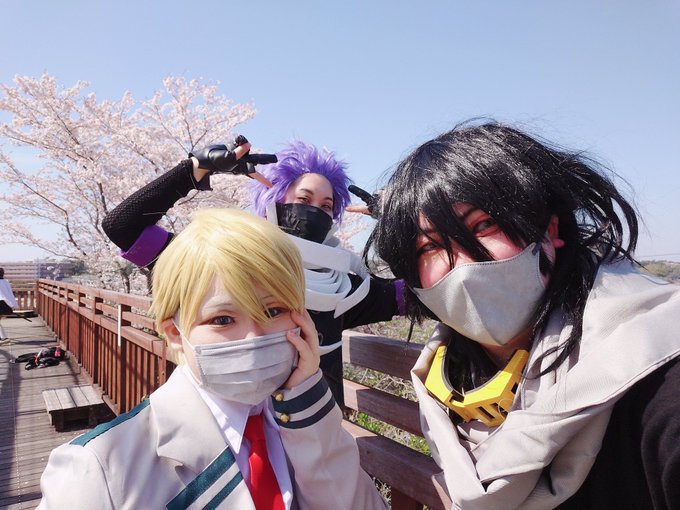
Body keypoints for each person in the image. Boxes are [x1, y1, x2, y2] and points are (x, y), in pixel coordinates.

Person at [366, 121, 680, 509]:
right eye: (429, 248)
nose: (462, 267)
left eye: (483, 225)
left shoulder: (658, 378)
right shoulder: (448, 382)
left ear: (549, 229)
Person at [38, 208, 387, 510]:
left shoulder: (304, 420)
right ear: (175, 333)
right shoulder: (98, 468)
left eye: (274, 310)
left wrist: (307, 398)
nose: (254, 337)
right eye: (222, 319)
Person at [102, 138, 404, 407]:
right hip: (230, 434)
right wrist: (195, 170)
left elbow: (415, 294)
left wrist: (401, 220)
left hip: (317, 433)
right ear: (274, 199)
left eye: (327, 206)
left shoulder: (342, 288)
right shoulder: (224, 262)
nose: (315, 211)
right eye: (303, 199)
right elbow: (123, 228)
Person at [0, 267, 18, 342]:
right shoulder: (5, 282)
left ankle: (3, 337)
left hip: (2, 304)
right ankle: (3, 337)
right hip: (6, 305)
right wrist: (12, 305)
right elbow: (9, 294)